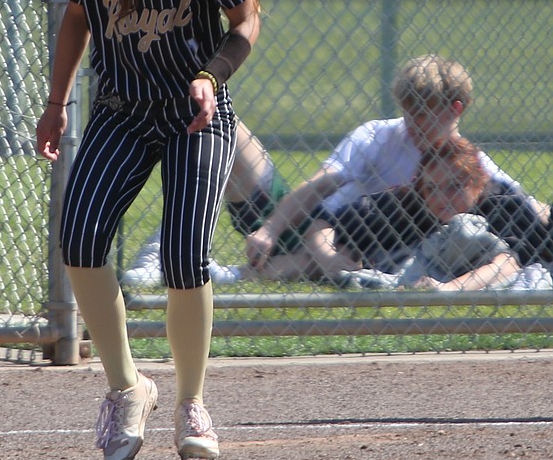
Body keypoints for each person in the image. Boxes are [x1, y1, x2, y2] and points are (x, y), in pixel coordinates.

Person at [34, 0, 267, 460]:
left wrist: (211, 75)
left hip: (194, 114)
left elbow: (245, 23)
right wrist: (56, 102)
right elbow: (77, 17)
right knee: (79, 240)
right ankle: (128, 388)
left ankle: (192, 400)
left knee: (185, 254)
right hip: (123, 110)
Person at [243, 54, 546, 281]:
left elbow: (518, 200)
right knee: (307, 262)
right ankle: (232, 277)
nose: (412, 123)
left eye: (423, 114)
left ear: (455, 110)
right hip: (341, 233)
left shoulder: (464, 160)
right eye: (407, 112)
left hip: (400, 251)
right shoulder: (376, 136)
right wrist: (271, 232)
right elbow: (317, 192)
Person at [311, 137, 527, 289]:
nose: (442, 198)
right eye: (432, 188)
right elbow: (324, 223)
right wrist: (328, 257)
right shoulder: (403, 203)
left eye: (454, 186)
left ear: (479, 184)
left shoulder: (499, 203)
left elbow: (508, 264)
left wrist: (448, 289)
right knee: (305, 263)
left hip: (456, 277)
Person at [120, 119, 291, 287]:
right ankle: (163, 249)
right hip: (278, 207)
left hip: (281, 233)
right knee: (203, 110)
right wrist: (271, 229)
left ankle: (169, 254)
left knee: (203, 115)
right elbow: (313, 186)